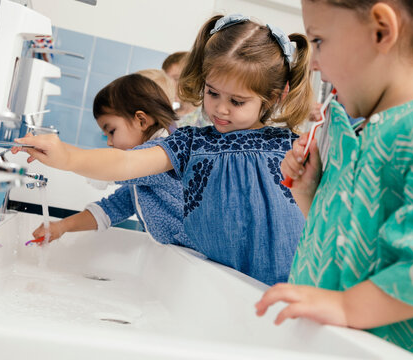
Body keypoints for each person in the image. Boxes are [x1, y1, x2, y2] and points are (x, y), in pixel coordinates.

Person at [255, 1, 413, 359]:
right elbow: (355, 244)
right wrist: (310, 196)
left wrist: (348, 306)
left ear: (381, 30)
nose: (314, 62)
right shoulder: (365, 132)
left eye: (319, 40)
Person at [15, 14, 314, 286]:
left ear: (274, 97)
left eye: (237, 101)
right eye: (212, 93)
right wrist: (67, 156)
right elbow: (125, 163)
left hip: (293, 286)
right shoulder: (190, 144)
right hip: (223, 287)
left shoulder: (290, 146)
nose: (221, 109)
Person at [31, 73, 189, 247]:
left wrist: (65, 157)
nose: (109, 142)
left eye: (112, 131)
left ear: (142, 121)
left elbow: (119, 163)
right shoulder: (145, 178)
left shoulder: (163, 155)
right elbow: (114, 207)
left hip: (194, 259)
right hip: (179, 256)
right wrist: (61, 227)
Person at [162, 51, 210, 127]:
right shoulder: (167, 117)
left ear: (193, 79)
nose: (170, 85)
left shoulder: (206, 116)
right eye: (166, 79)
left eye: (176, 79)